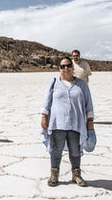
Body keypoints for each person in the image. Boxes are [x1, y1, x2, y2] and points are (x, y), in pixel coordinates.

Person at [40, 57, 96, 187]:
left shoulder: (81, 84)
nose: (66, 69)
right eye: (62, 66)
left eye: (68, 66)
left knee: (75, 150)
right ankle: (54, 175)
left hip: (76, 123)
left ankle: (76, 175)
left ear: (72, 67)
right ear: (59, 69)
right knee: (56, 149)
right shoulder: (54, 83)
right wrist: (44, 116)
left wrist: (90, 121)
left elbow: (89, 103)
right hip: (57, 123)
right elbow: (46, 101)